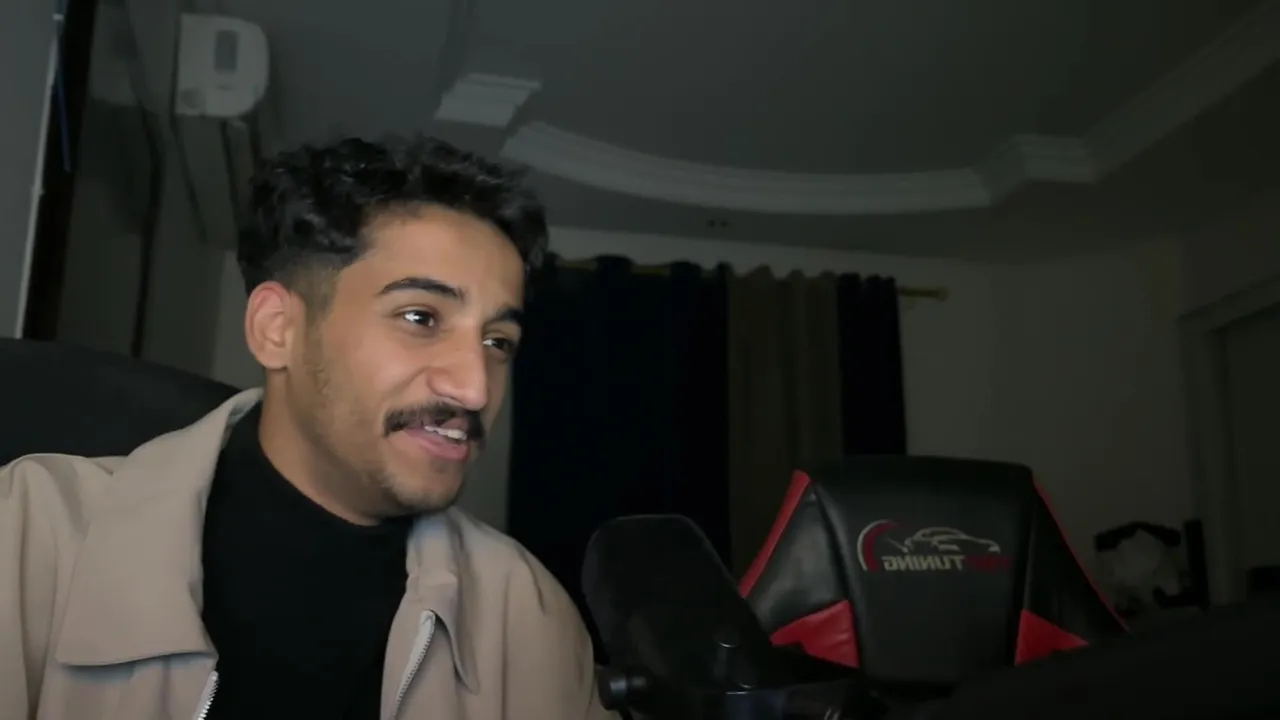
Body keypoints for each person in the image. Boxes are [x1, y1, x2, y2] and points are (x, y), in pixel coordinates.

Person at [0, 137, 615, 719]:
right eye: (420, 318)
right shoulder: (30, 532)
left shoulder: (526, 614)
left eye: (498, 342)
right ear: (278, 330)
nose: (475, 388)